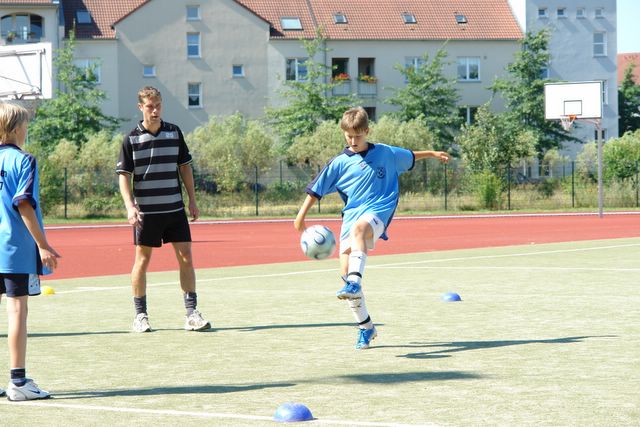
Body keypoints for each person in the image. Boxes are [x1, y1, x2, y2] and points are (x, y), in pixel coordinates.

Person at [294, 107, 449, 350]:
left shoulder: (386, 153)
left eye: (357, 136)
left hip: (379, 210)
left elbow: (410, 156)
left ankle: (355, 281)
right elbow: (315, 190)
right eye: (348, 136)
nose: (353, 141)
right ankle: (366, 328)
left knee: (359, 234)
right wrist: (300, 216)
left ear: (367, 131)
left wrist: (431, 153)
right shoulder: (338, 163)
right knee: (346, 274)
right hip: (351, 217)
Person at [117, 86, 210, 333]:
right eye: (150, 106)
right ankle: (140, 316)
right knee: (142, 260)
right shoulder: (131, 139)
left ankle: (192, 314)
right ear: (141, 107)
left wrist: (192, 200)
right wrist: (130, 206)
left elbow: (185, 167)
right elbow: (124, 175)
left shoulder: (174, 132)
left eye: (158, 105)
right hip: (146, 213)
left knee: (186, 257)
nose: (155, 110)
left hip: (174, 210)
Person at [0, 102, 60, 400]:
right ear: (14, 129)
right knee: (17, 311)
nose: (26, 130)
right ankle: (19, 382)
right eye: (25, 125)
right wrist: (43, 245)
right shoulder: (24, 160)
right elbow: (23, 204)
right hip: (14, 249)